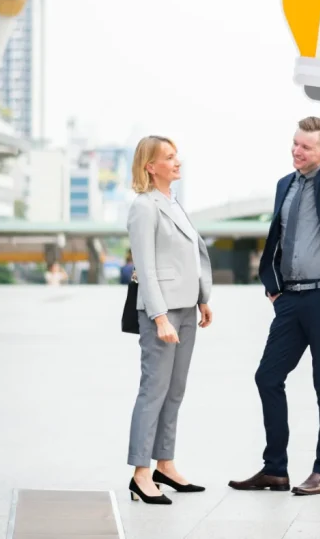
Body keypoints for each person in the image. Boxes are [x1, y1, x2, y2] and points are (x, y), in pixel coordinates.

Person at [229, 81, 320, 497]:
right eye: (295, 144)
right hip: (291, 299)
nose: (297, 152)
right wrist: (273, 286)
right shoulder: (284, 184)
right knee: (267, 377)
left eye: (306, 148)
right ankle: (274, 469)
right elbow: (278, 238)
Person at [125, 135, 213, 505]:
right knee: (153, 391)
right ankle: (141, 473)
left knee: (175, 390)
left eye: (177, 156)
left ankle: (165, 464)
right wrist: (160, 318)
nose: (178, 162)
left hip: (187, 307)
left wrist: (203, 298)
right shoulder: (144, 207)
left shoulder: (173, 203)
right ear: (151, 166)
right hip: (162, 312)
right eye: (169, 157)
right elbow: (144, 266)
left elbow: (190, 256)